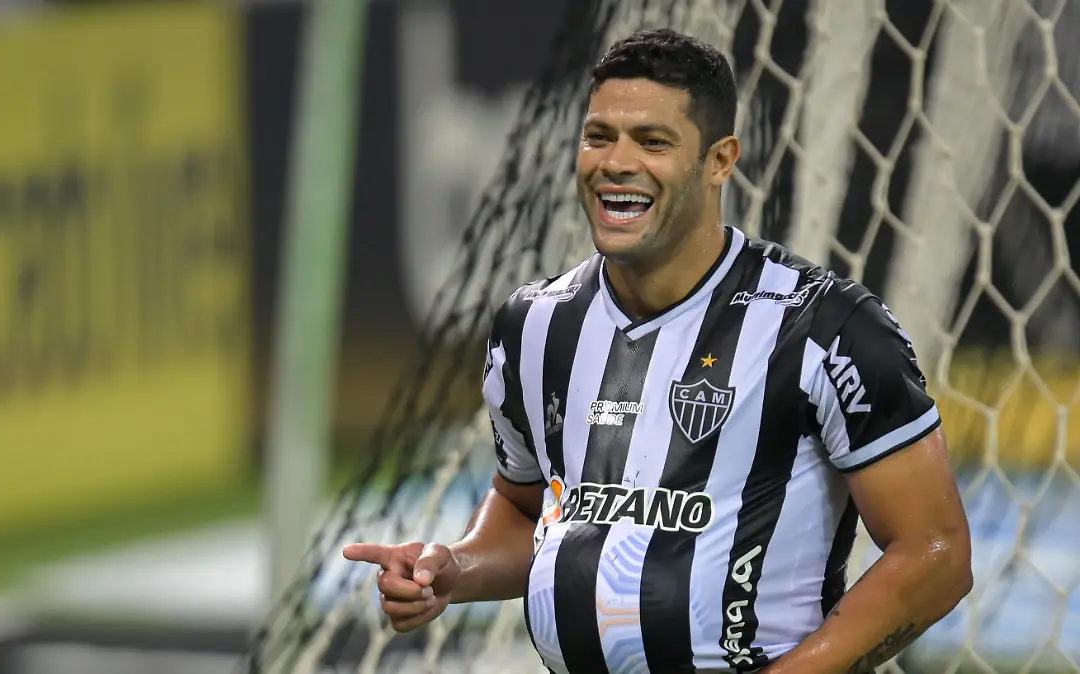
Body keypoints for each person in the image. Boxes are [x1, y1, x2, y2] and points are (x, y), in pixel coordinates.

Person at [344, 28, 972, 674]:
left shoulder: (826, 328)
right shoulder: (534, 327)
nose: (616, 162)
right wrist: (454, 569)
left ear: (720, 161)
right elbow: (525, 507)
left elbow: (938, 552)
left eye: (652, 142)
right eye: (599, 137)